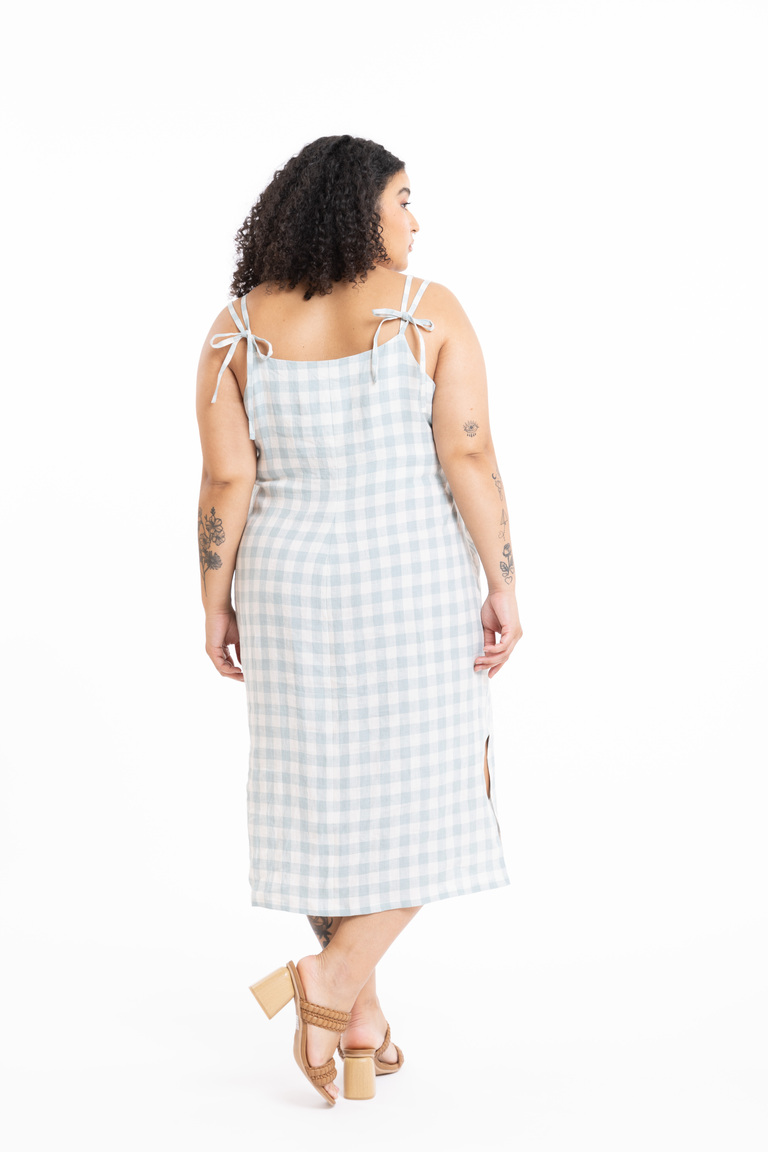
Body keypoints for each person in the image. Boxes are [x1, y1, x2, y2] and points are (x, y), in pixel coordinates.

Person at [195, 135, 523, 1105]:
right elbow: (470, 455)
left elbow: (226, 479)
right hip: (409, 581)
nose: (415, 220)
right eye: (403, 199)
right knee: (451, 787)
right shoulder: (428, 311)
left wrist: (214, 599)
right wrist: (504, 580)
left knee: (323, 796)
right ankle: (331, 978)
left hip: (286, 589)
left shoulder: (236, 327)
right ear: (358, 208)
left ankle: (359, 1019)